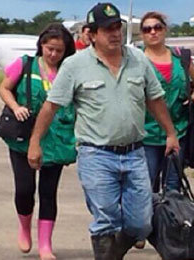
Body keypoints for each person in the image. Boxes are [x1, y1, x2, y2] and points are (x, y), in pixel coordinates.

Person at [27, 3, 179, 260]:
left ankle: (112, 252)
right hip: (96, 155)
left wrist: (171, 133)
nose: (115, 34)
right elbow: (51, 106)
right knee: (106, 218)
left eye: (117, 27)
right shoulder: (75, 65)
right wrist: (35, 142)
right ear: (92, 34)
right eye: (107, 29)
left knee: (141, 224)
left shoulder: (138, 59)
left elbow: (155, 99)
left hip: (134, 152)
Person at [0, 23, 76, 260]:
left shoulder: (69, 70)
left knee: (48, 192)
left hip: (57, 139)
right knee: (25, 189)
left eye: (59, 51)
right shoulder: (25, 64)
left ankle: (45, 244)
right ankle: (24, 226)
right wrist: (15, 106)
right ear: (41, 45)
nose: (53, 54)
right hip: (23, 137)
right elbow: (4, 88)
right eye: (50, 48)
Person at [140, 12, 194, 191]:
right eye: (147, 29)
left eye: (157, 27)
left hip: (179, 131)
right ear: (142, 34)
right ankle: (149, 219)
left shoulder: (181, 57)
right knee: (147, 187)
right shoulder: (136, 60)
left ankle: (171, 219)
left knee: (173, 186)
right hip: (148, 134)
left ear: (165, 30)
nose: (153, 32)